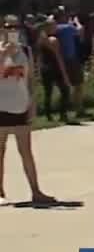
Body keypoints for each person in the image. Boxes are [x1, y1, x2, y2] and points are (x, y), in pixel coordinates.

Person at [0, 16, 55, 205]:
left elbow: (31, 79)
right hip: (1, 107)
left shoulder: (25, 51)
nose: (12, 30)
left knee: (26, 151)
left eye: (16, 27)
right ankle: (0, 192)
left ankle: (36, 191)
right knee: (0, 151)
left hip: (20, 105)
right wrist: (3, 55)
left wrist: (33, 105)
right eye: (8, 26)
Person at [36, 21, 72, 123]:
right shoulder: (53, 40)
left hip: (44, 68)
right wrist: (65, 74)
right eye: (54, 26)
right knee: (65, 90)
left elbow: (38, 57)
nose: (56, 27)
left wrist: (38, 71)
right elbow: (58, 57)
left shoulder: (40, 40)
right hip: (54, 67)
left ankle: (48, 115)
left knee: (48, 92)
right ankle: (63, 114)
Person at [52, 9, 85, 117]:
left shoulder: (55, 28)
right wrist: (76, 22)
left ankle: (65, 111)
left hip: (60, 59)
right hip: (71, 59)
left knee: (64, 87)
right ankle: (78, 109)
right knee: (78, 84)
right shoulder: (67, 27)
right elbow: (80, 31)